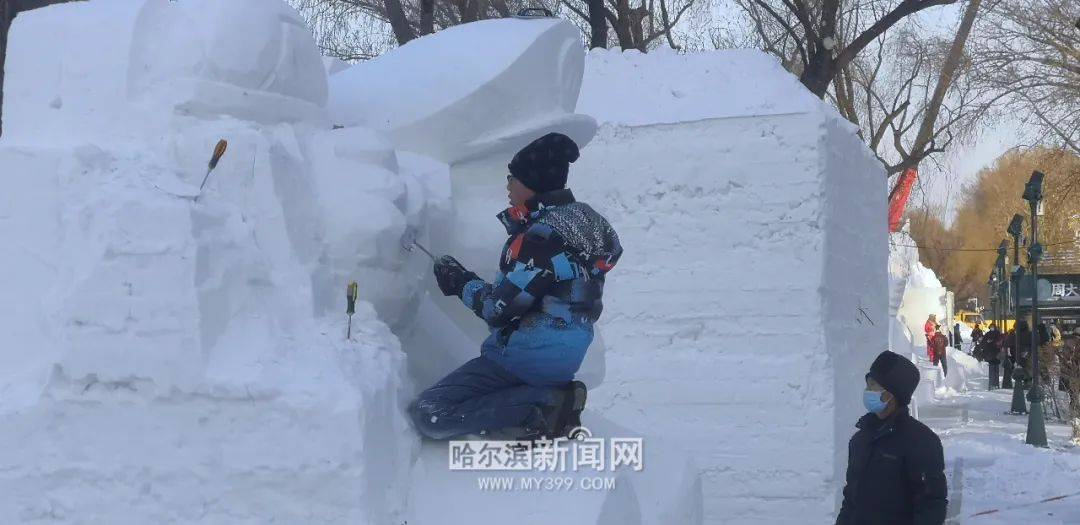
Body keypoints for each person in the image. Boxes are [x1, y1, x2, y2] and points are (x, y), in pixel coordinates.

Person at [408, 132, 622, 440]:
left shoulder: (541, 239)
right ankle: (549, 395)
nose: (508, 185)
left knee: (430, 413)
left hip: (526, 357)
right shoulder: (583, 224)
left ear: (532, 183)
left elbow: (499, 309)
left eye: (513, 178)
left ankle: (544, 405)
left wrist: (459, 281)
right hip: (565, 357)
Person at [836, 350, 948, 525]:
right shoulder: (860, 440)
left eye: (873, 386)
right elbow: (850, 500)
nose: (867, 390)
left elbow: (931, 506)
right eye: (868, 384)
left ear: (890, 394)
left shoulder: (921, 441)